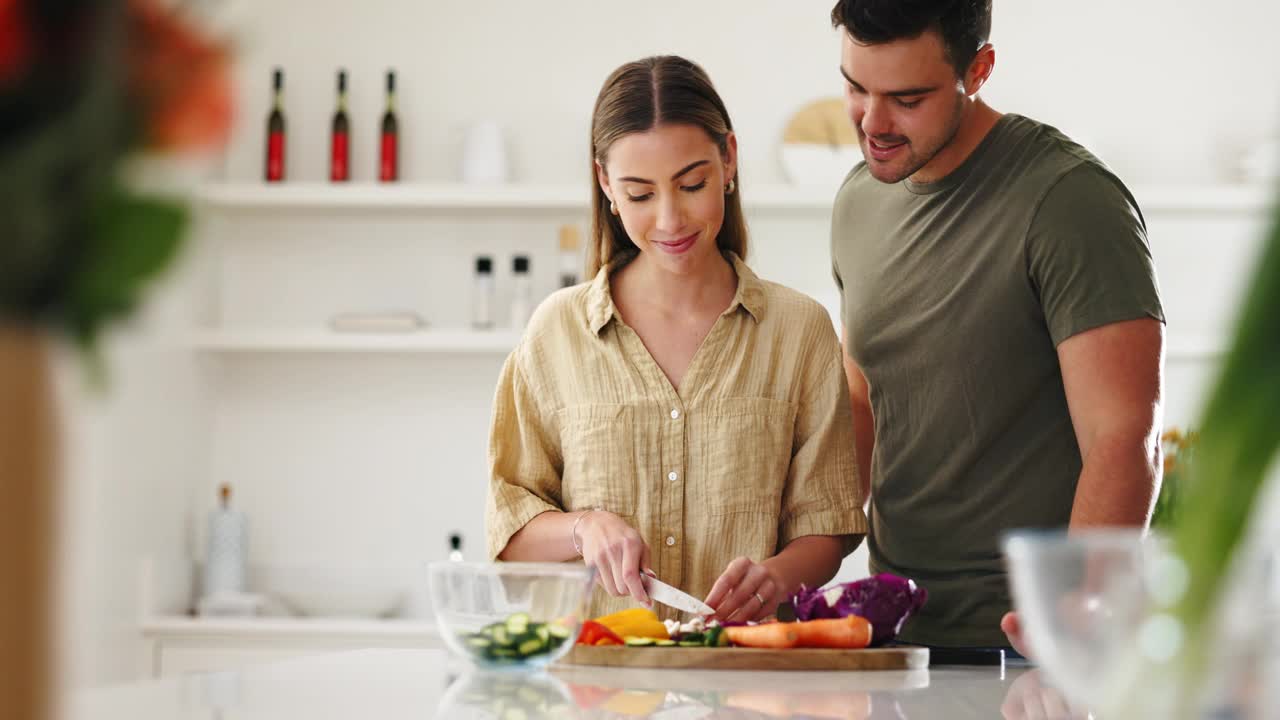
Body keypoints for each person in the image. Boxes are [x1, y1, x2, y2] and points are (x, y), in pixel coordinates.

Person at [827, 0, 1166, 652]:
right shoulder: (857, 199)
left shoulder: (1071, 200)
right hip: (892, 641)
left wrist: (1078, 621)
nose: (872, 122)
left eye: (906, 97)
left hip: (1025, 645)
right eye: (854, 86)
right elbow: (862, 399)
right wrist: (789, 559)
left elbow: (1125, 436)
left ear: (977, 70)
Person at [485, 55, 867, 623]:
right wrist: (585, 528)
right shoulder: (556, 331)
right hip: (598, 692)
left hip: (747, 691)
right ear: (605, 184)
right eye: (640, 194)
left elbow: (827, 525)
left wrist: (777, 577)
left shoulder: (799, 330)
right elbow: (510, 529)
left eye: (692, 184)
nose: (670, 220)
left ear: (729, 159)